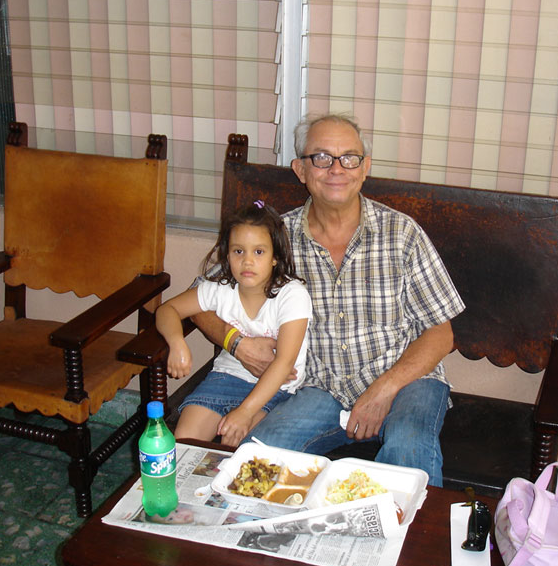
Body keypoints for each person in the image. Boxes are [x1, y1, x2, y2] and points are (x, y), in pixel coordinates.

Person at [191, 114, 464, 486]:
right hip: (321, 386)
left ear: (364, 168)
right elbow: (198, 300)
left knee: (408, 451)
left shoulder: (402, 234)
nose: (337, 169)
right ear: (301, 170)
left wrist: (383, 389)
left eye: (349, 158)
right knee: (258, 461)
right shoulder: (275, 239)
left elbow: (441, 334)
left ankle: (414, 527)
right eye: (321, 158)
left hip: (405, 380)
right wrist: (236, 343)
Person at [156, 201, 312, 446]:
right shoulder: (220, 289)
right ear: (227, 255)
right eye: (239, 251)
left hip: (276, 389)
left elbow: (284, 364)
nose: (247, 261)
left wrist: (245, 412)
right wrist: (177, 344)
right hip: (225, 378)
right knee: (184, 445)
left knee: (237, 448)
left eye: (258, 252)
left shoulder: (292, 295)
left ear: (275, 257)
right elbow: (167, 310)